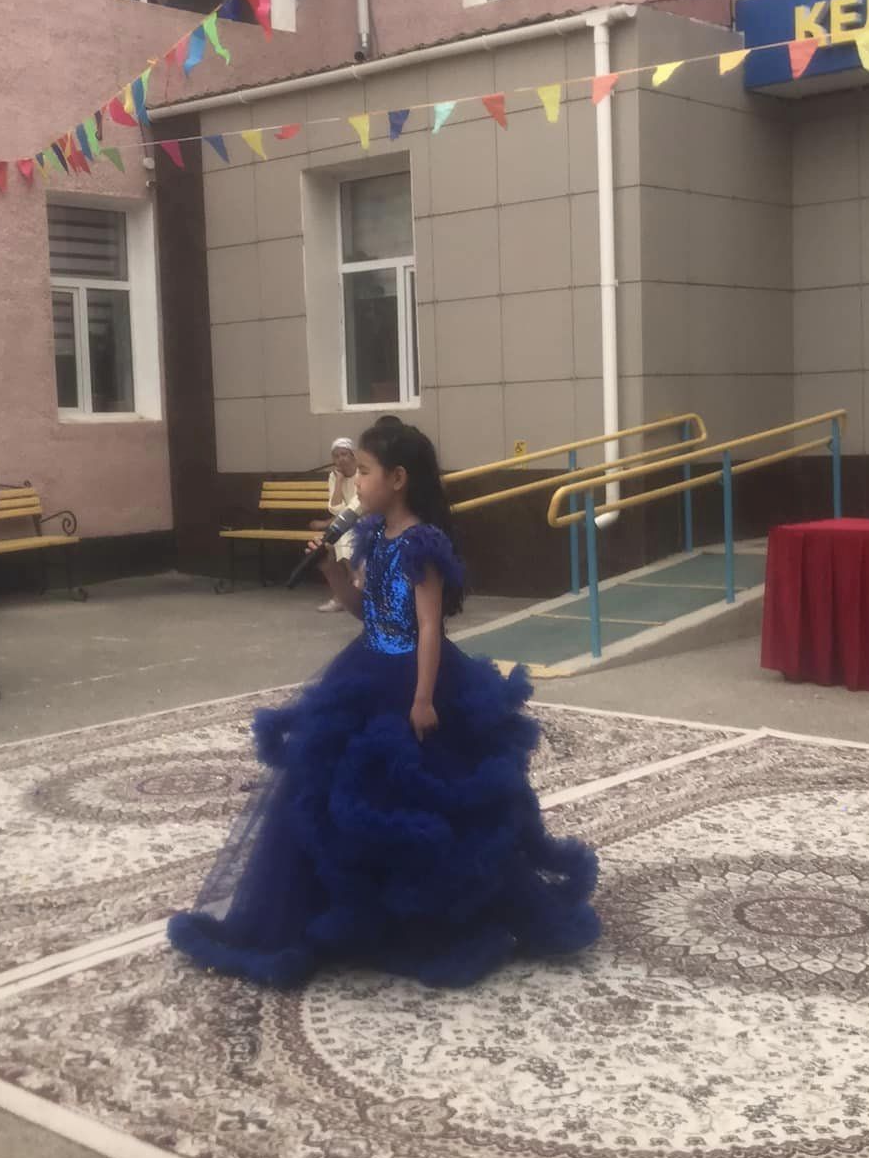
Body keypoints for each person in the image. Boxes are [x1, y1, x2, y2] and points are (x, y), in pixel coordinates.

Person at [168, 420, 601, 988]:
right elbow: (363, 609)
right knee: (336, 791)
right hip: (366, 666)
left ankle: (423, 918)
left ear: (397, 479)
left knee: (420, 792)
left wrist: (423, 698)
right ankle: (344, 911)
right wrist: (330, 567)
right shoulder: (374, 536)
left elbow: (428, 626)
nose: (356, 483)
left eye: (365, 472)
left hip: (416, 677)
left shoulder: (422, 543)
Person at [316, 437, 361, 615]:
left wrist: (333, 521)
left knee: (339, 537)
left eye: (344, 454)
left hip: (365, 519)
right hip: (344, 522)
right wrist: (340, 481)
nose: (340, 459)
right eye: (336, 456)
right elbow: (334, 508)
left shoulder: (362, 474)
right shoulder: (334, 477)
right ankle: (355, 582)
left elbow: (358, 507)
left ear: (353, 455)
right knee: (335, 540)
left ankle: (342, 596)